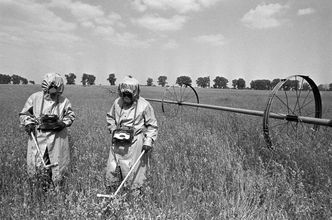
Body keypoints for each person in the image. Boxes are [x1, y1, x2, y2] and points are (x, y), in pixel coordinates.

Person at [19, 73, 75, 189]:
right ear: (46, 86)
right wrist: (28, 123)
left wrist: (63, 123)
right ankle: (39, 189)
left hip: (57, 138)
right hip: (39, 137)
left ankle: (57, 190)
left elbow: (70, 115)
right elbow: (24, 114)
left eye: (56, 90)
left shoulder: (64, 101)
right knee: (36, 165)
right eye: (51, 89)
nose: (53, 93)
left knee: (58, 166)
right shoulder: (35, 98)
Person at [105, 76, 158, 195]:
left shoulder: (144, 105)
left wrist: (148, 141)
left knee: (134, 172)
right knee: (112, 169)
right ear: (120, 92)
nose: (126, 97)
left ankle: (134, 197)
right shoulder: (117, 103)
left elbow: (152, 126)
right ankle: (112, 193)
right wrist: (113, 130)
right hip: (117, 141)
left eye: (129, 94)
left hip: (135, 143)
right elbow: (110, 117)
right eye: (124, 94)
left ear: (135, 93)